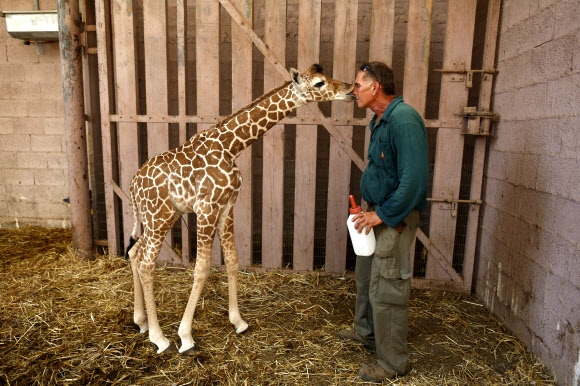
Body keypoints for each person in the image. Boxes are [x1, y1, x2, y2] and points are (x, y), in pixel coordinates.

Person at [338, 62, 429, 382]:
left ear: (375, 86)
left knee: (387, 288)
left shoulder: (404, 120)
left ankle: (393, 363)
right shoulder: (379, 120)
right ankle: (366, 333)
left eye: (358, 85)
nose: (353, 91)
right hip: (377, 212)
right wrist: (370, 209)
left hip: (395, 217)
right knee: (366, 277)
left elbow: (414, 180)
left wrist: (381, 214)